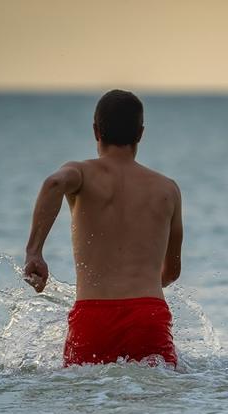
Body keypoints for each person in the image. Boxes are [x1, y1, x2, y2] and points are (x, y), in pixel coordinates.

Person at [23, 89, 183, 368]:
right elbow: (171, 272)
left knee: (87, 400)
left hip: (93, 317)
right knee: (156, 401)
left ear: (96, 131)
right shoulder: (167, 189)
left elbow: (53, 184)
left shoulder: (82, 173)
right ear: (140, 134)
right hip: (148, 316)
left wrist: (34, 252)